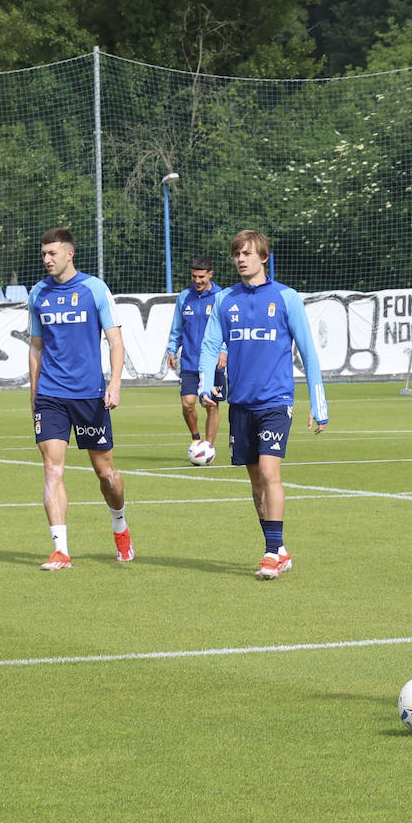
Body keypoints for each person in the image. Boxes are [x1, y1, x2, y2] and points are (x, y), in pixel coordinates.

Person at [199, 230, 328, 580]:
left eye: (248, 253)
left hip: (276, 401)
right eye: (237, 254)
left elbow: (308, 352)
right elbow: (210, 346)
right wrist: (204, 384)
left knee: (270, 473)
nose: (241, 259)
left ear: (263, 257)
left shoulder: (286, 298)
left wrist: (319, 404)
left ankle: (271, 554)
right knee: (256, 481)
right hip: (240, 404)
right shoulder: (225, 300)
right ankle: (279, 547)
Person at [27, 227, 133, 569]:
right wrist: (34, 393)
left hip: (90, 396)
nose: (47, 260)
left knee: (106, 475)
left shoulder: (94, 288)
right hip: (51, 396)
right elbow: (36, 347)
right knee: (52, 469)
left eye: (52, 253)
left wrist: (114, 384)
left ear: (69, 254)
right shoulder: (38, 294)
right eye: (44, 254)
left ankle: (120, 524)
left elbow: (116, 342)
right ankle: (61, 550)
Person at [165, 256, 227, 450]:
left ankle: (208, 448)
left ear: (210, 275)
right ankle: (196, 438)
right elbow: (177, 327)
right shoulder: (184, 297)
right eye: (194, 276)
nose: (198, 281)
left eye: (201, 276)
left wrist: (224, 351)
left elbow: (228, 328)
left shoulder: (221, 297)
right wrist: (172, 349)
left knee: (211, 405)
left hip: (212, 363)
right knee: (188, 404)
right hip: (190, 361)